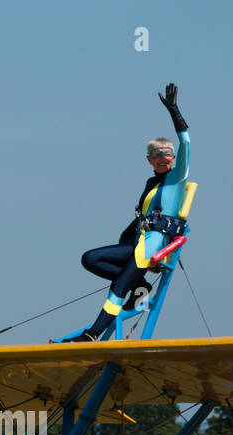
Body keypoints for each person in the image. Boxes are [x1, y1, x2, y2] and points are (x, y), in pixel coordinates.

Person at [63, 83, 191, 343]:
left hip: (152, 247)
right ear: (149, 159)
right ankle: (137, 285)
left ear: (174, 157)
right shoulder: (150, 183)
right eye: (156, 154)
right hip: (136, 243)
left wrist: (174, 111)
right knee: (91, 258)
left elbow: (186, 141)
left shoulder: (177, 179)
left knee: (119, 287)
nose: (162, 158)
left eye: (167, 154)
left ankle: (93, 334)